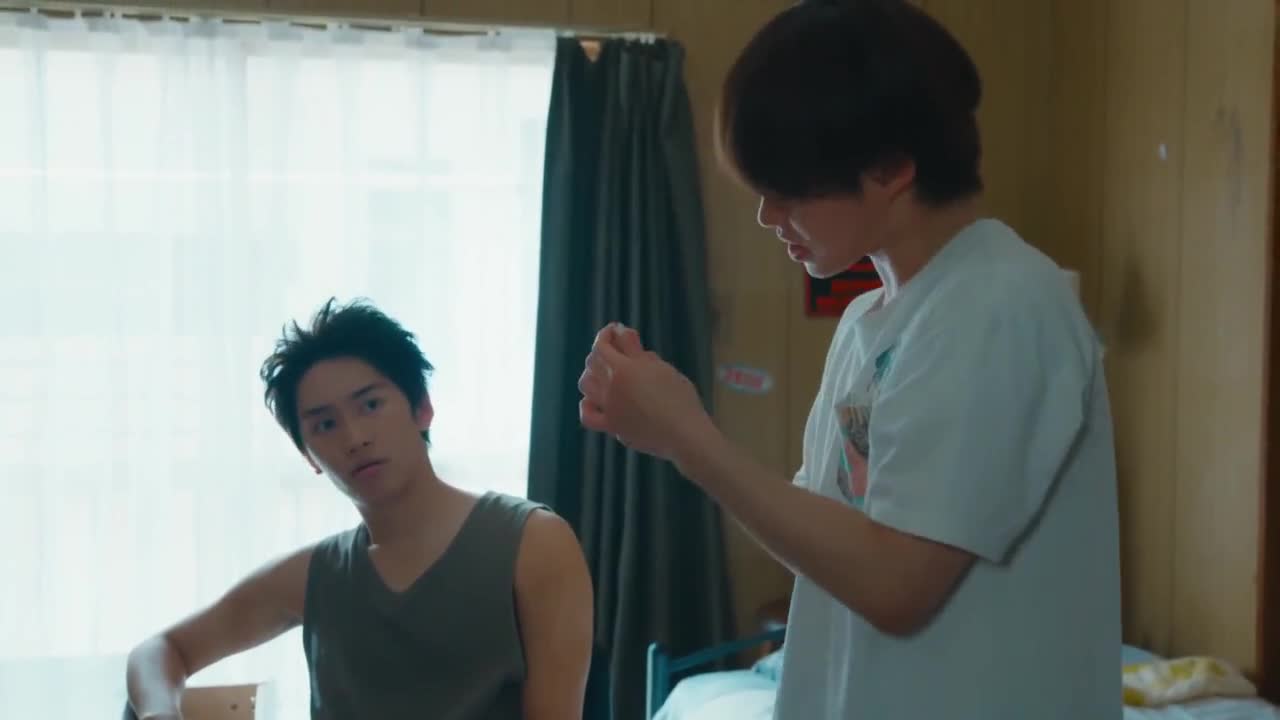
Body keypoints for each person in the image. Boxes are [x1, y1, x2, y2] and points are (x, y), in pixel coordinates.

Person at [577, 1, 1121, 719]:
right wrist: (669, 429)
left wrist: (688, 438)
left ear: (890, 167)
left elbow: (898, 585)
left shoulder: (1002, 303)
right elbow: (825, 540)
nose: (769, 216)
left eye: (788, 190)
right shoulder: (872, 318)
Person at [126, 298, 594, 720]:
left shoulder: (533, 543)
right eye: (325, 425)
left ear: (421, 407)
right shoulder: (316, 575)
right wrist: (158, 713)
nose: (354, 437)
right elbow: (160, 650)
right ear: (309, 456)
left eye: (370, 405)